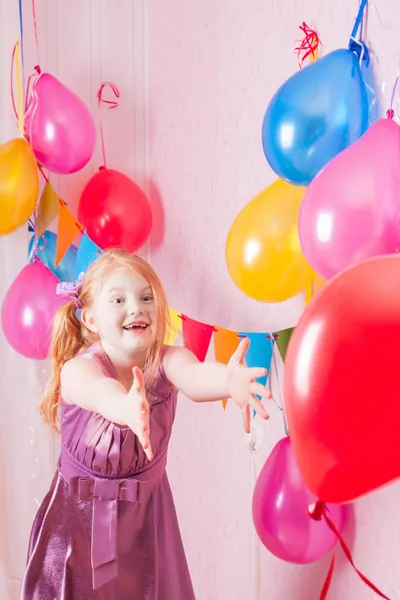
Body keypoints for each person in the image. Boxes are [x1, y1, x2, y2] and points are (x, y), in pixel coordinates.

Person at [21, 247, 271, 600]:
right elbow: (97, 391)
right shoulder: (80, 368)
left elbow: (195, 376)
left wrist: (229, 382)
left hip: (146, 522)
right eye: (119, 299)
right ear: (91, 319)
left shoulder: (168, 360)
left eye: (146, 297)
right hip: (77, 521)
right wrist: (124, 407)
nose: (136, 307)